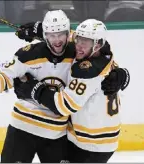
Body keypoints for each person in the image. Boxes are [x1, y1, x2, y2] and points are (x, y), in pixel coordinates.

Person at [0, 10, 129, 163]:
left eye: (61, 34)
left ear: (68, 34)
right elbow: (7, 75)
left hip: (56, 134)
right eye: (51, 35)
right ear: (44, 35)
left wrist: (122, 74)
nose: (57, 41)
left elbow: (98, 53)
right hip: (23, 127)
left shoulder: (78, 55)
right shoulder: (30, 53)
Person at [13, 19, 130, 163]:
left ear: (98, 45)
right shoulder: (102, 54)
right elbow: (73, 36)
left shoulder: (89, 72)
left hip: (91, 144)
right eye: (78, 40)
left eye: (84, 43)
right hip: (94, 138)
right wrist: (42, 29)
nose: (78, 46)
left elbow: (63, 105)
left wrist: (32, 89)